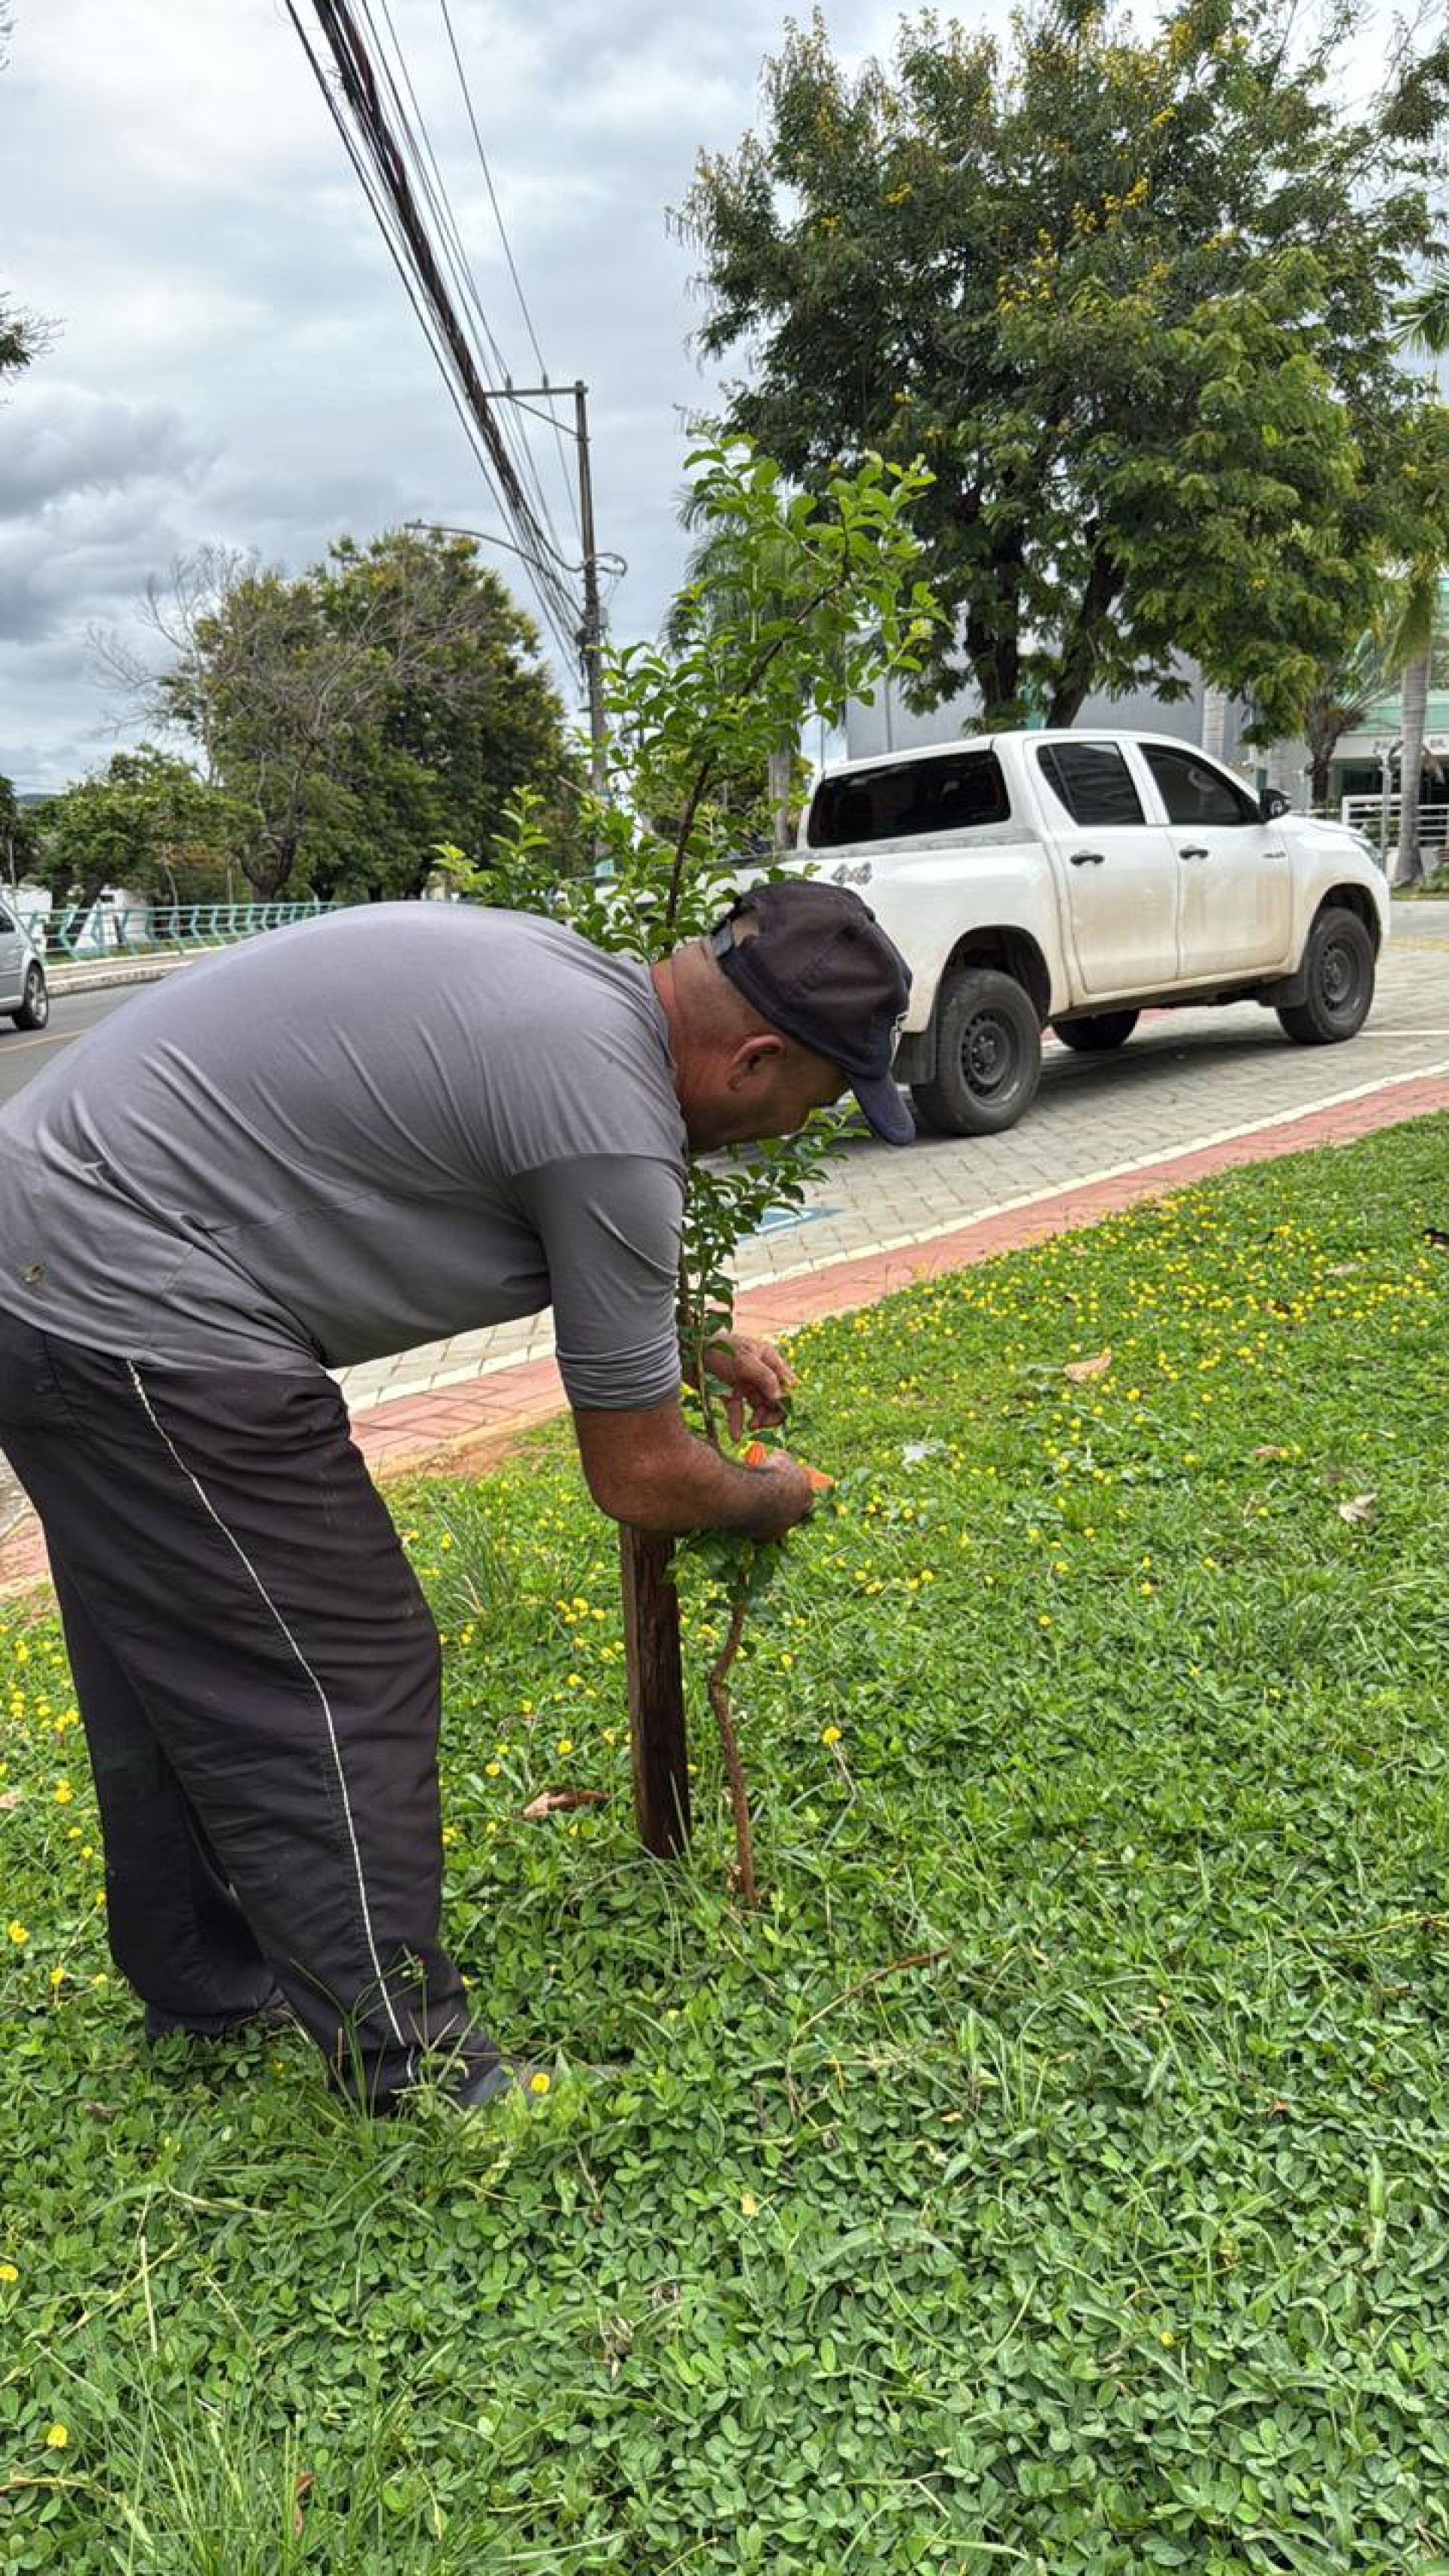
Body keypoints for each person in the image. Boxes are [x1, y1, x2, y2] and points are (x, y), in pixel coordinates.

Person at [0, 882, 912, 2111]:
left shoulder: (579, 992)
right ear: (754, 1058)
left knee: (169, 1643)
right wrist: (769, 1496)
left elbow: (519, 1178)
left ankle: (201, 1976)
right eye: (815, 1099)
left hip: (42, 1240)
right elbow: (637, 1471)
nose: (798, 1126)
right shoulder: (613, 1121)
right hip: (128, 1295)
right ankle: (412, 2071)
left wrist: (690, 1335)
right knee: (348, 1664)